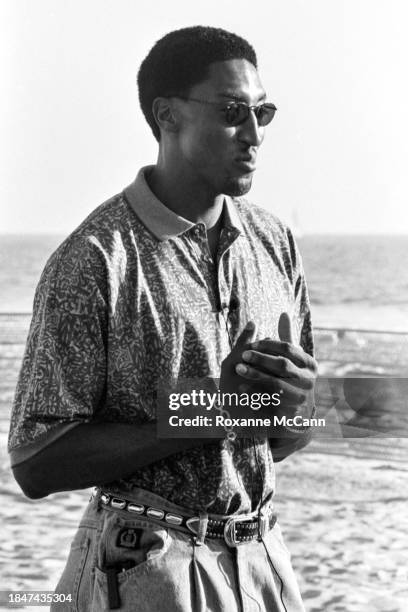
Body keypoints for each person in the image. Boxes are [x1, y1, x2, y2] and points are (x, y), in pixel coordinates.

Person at [8, 26, 317, 612]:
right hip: (145, 568)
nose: (254, 135)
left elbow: (280, 441)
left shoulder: (276, 243)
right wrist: (207, 407)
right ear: (167, 115)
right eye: (232, 112)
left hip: (264, 562)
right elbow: (35, 461)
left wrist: (297, 408)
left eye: (263, 112)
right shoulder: (94, 259)